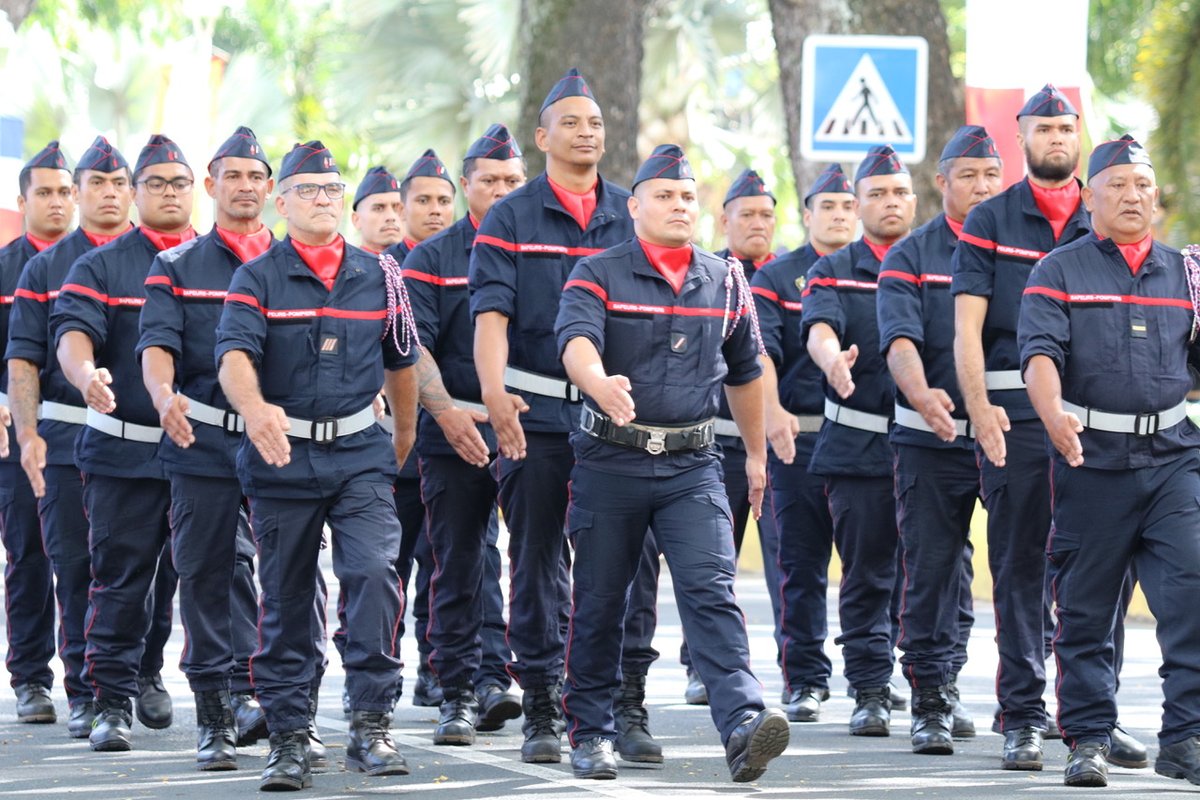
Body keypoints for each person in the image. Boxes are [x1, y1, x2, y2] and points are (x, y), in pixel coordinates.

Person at [555, 143, 789, 783]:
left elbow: (745, 372)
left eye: (687, 196)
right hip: (611, 461)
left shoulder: (726, 280)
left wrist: (757, 455)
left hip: (694, 465)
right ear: (634, 207)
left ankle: (743, 724)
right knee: (602, 600)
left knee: (712, 590)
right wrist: (597, 381)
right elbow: (575, 342)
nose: (679, 205)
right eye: (664, 195)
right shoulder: (597, 272)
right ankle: (592, 732)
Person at [469, 67, 661, 765]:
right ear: (543, 137)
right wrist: (493, 394)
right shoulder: (510, 217)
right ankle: (544, 707)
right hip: (539, 415)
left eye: (596, 123)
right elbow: (490, 316)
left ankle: (625, 701)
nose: (586, 133)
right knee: (537, 560)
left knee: (631, 565)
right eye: (571, 122)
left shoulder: (632, 210)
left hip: (623, 421)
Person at [952, 84, 1145, 771]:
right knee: (1020, 567)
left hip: (1100, 425)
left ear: (1078, 134)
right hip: (1017, 418)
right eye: (1044, 128)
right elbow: (967, 327)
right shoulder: (990, 219)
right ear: (1023, 136)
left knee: (1106, 571)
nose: (1056, 138)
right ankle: (1023, 717)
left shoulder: (1107, 212)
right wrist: (979, 407)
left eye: (1066, 127)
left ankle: (1094, 716)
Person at [215, 140, 419, 791]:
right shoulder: (256, 278)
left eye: (332, 190)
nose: (323, 199)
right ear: (283, 202)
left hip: (360, 455)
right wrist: (255, 410)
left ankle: (370, 724)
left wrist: (404, 435)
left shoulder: (381, 276)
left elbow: (402, 362)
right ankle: (289, 736)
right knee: (287, 598)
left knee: (374, 573)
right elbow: (233, 357)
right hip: (282, 457)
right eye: (308, 190)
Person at [1019, 134, 1200, 788]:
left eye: (1143, 185)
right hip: (1089, 459)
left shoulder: (1189, 273)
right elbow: (1039, 355)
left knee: (1192, 592)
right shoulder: (1058, 271)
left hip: (1174, 459)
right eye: (1117, 184)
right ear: (1089, 197)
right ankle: (1089, 737)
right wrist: (1052, 415)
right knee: (1087, 609)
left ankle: (1185, 738)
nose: (1132, 196)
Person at [7, 136, 160, 741]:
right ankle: (84, 690)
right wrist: (28, 436)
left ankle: (144, 669)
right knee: (73, 565)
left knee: (152, 569)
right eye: (97, 183)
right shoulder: (44, 268)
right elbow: (23, 360)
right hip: (67, 437)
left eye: (119, 183)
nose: (109, 194)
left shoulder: (164, 259)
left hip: (147, 441)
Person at [137, 126, 277, 769]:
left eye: (256, 176)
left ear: (270, 189)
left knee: (287, 577)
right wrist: (162, 394)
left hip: (282, 444)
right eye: (233, 175)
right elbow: (157, 346)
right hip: (203, 442)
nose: (244, 186)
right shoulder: (175, 267)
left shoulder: (296, 262)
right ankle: (217, 715)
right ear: (211, 185)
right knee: (206, 573)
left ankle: (279, 704)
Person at [51, 134, 195, 752]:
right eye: (155, 183)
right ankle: (107, 700)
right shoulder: (101, 265)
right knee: (119, 577)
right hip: (123, 452)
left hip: (203, 455)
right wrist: (86, 376)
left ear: (197, 190)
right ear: (137, 193)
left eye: (178, 182)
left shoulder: (221, 263)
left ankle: (158, 674)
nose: (168, 193)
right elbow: (72, 333)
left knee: (195, 577)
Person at [876, 125, 1003, 755]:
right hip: (932, 437)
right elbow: (899, 340)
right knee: (932, 569)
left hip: (1011, 434)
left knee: (1022, 568)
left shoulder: (1024, 247)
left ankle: (1022, 700)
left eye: (991, 175)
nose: (982, 188)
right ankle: (930, 698)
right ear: (942, 181)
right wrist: (921, 393)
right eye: (969, 176)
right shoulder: (910, 255)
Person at [402, 123, 526, 745]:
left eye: (512, 181)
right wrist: (448, 413)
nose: (501, 191)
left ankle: (512, 682)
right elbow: (413, 345)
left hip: (531, 427)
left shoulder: (542, 250)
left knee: (539, 562)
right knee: (457, 560)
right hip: (455, 429)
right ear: (465, 185)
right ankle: (456, 690)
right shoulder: (430, 259)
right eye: (489, 181)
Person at [803, 144, 914, 737]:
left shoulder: (938, 262)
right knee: (868, 574)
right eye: (876, 194)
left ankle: (934, 687)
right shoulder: (834, 269)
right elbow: (819, 327)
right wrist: (830, 360)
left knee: (936, 573)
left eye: (898, 192)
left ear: (914, 200)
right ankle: (869, 689)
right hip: (859, 447)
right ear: (858, 205)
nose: (889, 202)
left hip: (932, 448)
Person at [750, 163, 854, 723]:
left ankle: (873, 677)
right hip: (801, 440)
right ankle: (806, 678)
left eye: (847, 206)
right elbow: (761, 352)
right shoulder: (776, 276)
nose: (838, 215)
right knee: (801, 564)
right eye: (827, 206)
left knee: (874, 567)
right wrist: (773, 411)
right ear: (807, 215)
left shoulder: (879, 269)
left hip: (867, 441)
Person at [681, 168, 783, 705]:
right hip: (708, 440)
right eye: (747, 214)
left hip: (767, 442)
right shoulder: (707, 275)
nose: (758, 223)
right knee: (710, 562)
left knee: (781, 564)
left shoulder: (788, 274)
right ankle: (700, 665)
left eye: (767, 214)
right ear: (725, 221)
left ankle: (791, 670)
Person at [1, 141, 73, 726]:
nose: (57, 202)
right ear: (23, 201)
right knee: (29, 553)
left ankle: (96, 679)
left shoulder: (94, 263)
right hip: (17, 435)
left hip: (87, 434)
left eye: (65, 191)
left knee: (92, 557)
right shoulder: (5, 268)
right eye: (44, 192)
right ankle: (30, 677)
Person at [381, 150, 455, 709]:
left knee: (445, 562)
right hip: (394, 448)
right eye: (422, 200)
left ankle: (438, 666)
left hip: (451, 444)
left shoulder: (469, 261)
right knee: (388, 566)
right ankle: (380, 670)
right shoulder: (381, 271)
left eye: (443, 201)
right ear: (401, 209)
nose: (434, 210)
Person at [351, 166, 404, 254]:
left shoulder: (421, 261)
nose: (391, 217)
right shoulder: (346, 263)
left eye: (397, 208)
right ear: (356, 220)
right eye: (378, 208)